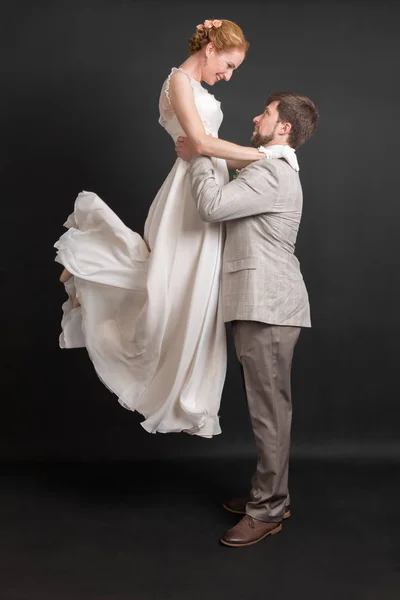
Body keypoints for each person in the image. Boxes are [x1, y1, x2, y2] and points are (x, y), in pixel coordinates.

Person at [54, 19, 287, 438]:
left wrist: (263, 158)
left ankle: (186, 399)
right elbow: (200, 142)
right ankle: (89, 262)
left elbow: (210, 149)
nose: (229, 76)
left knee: (190, 297)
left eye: (235, 70)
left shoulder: (196, 88)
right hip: (187, 196)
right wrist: (266, 157)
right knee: (166, 288)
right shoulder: (179, 81)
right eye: (229, 65)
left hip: (206, 185)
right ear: (211, 47)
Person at [176, 91, 318, 546]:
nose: (256, 116)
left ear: (283, 129)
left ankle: (269, 509)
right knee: (268, 409)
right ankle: (270, 494)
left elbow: (212, 207)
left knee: (270, 412)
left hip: (269, 306)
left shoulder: (272, 172)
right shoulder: (268, 169)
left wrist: (200, 153)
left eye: (267, 113)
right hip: (263, 304)